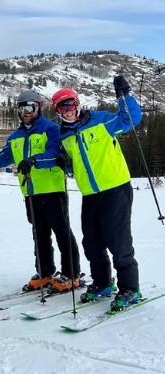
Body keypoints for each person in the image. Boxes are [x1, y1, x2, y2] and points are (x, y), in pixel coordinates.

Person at [0, 90, 81, 293]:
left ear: (39, 107)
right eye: (21, 108)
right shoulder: (15, 137)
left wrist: (34, 160)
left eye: (29, 107)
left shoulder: (51, 129)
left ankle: (72, 275)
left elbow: (56, 154)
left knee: (62, 233)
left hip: (53, 191)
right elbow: (3, 158)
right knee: (39, 235)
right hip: (30, 193)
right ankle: (45, 273)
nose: (25, 112)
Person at [53, 75, 142, 310]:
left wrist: (125, 96)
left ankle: (130, 288)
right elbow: (75, 164)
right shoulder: (64, 135)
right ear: (57, 110)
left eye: (70, 104)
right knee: (92, 242)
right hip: (90, 194)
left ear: (77, 104)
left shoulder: (101, 120)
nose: (67, 110)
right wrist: (66, 164)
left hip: (115, 188)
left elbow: (131, 119)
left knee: (118, 241)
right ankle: (103, 283)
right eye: (62, 106)